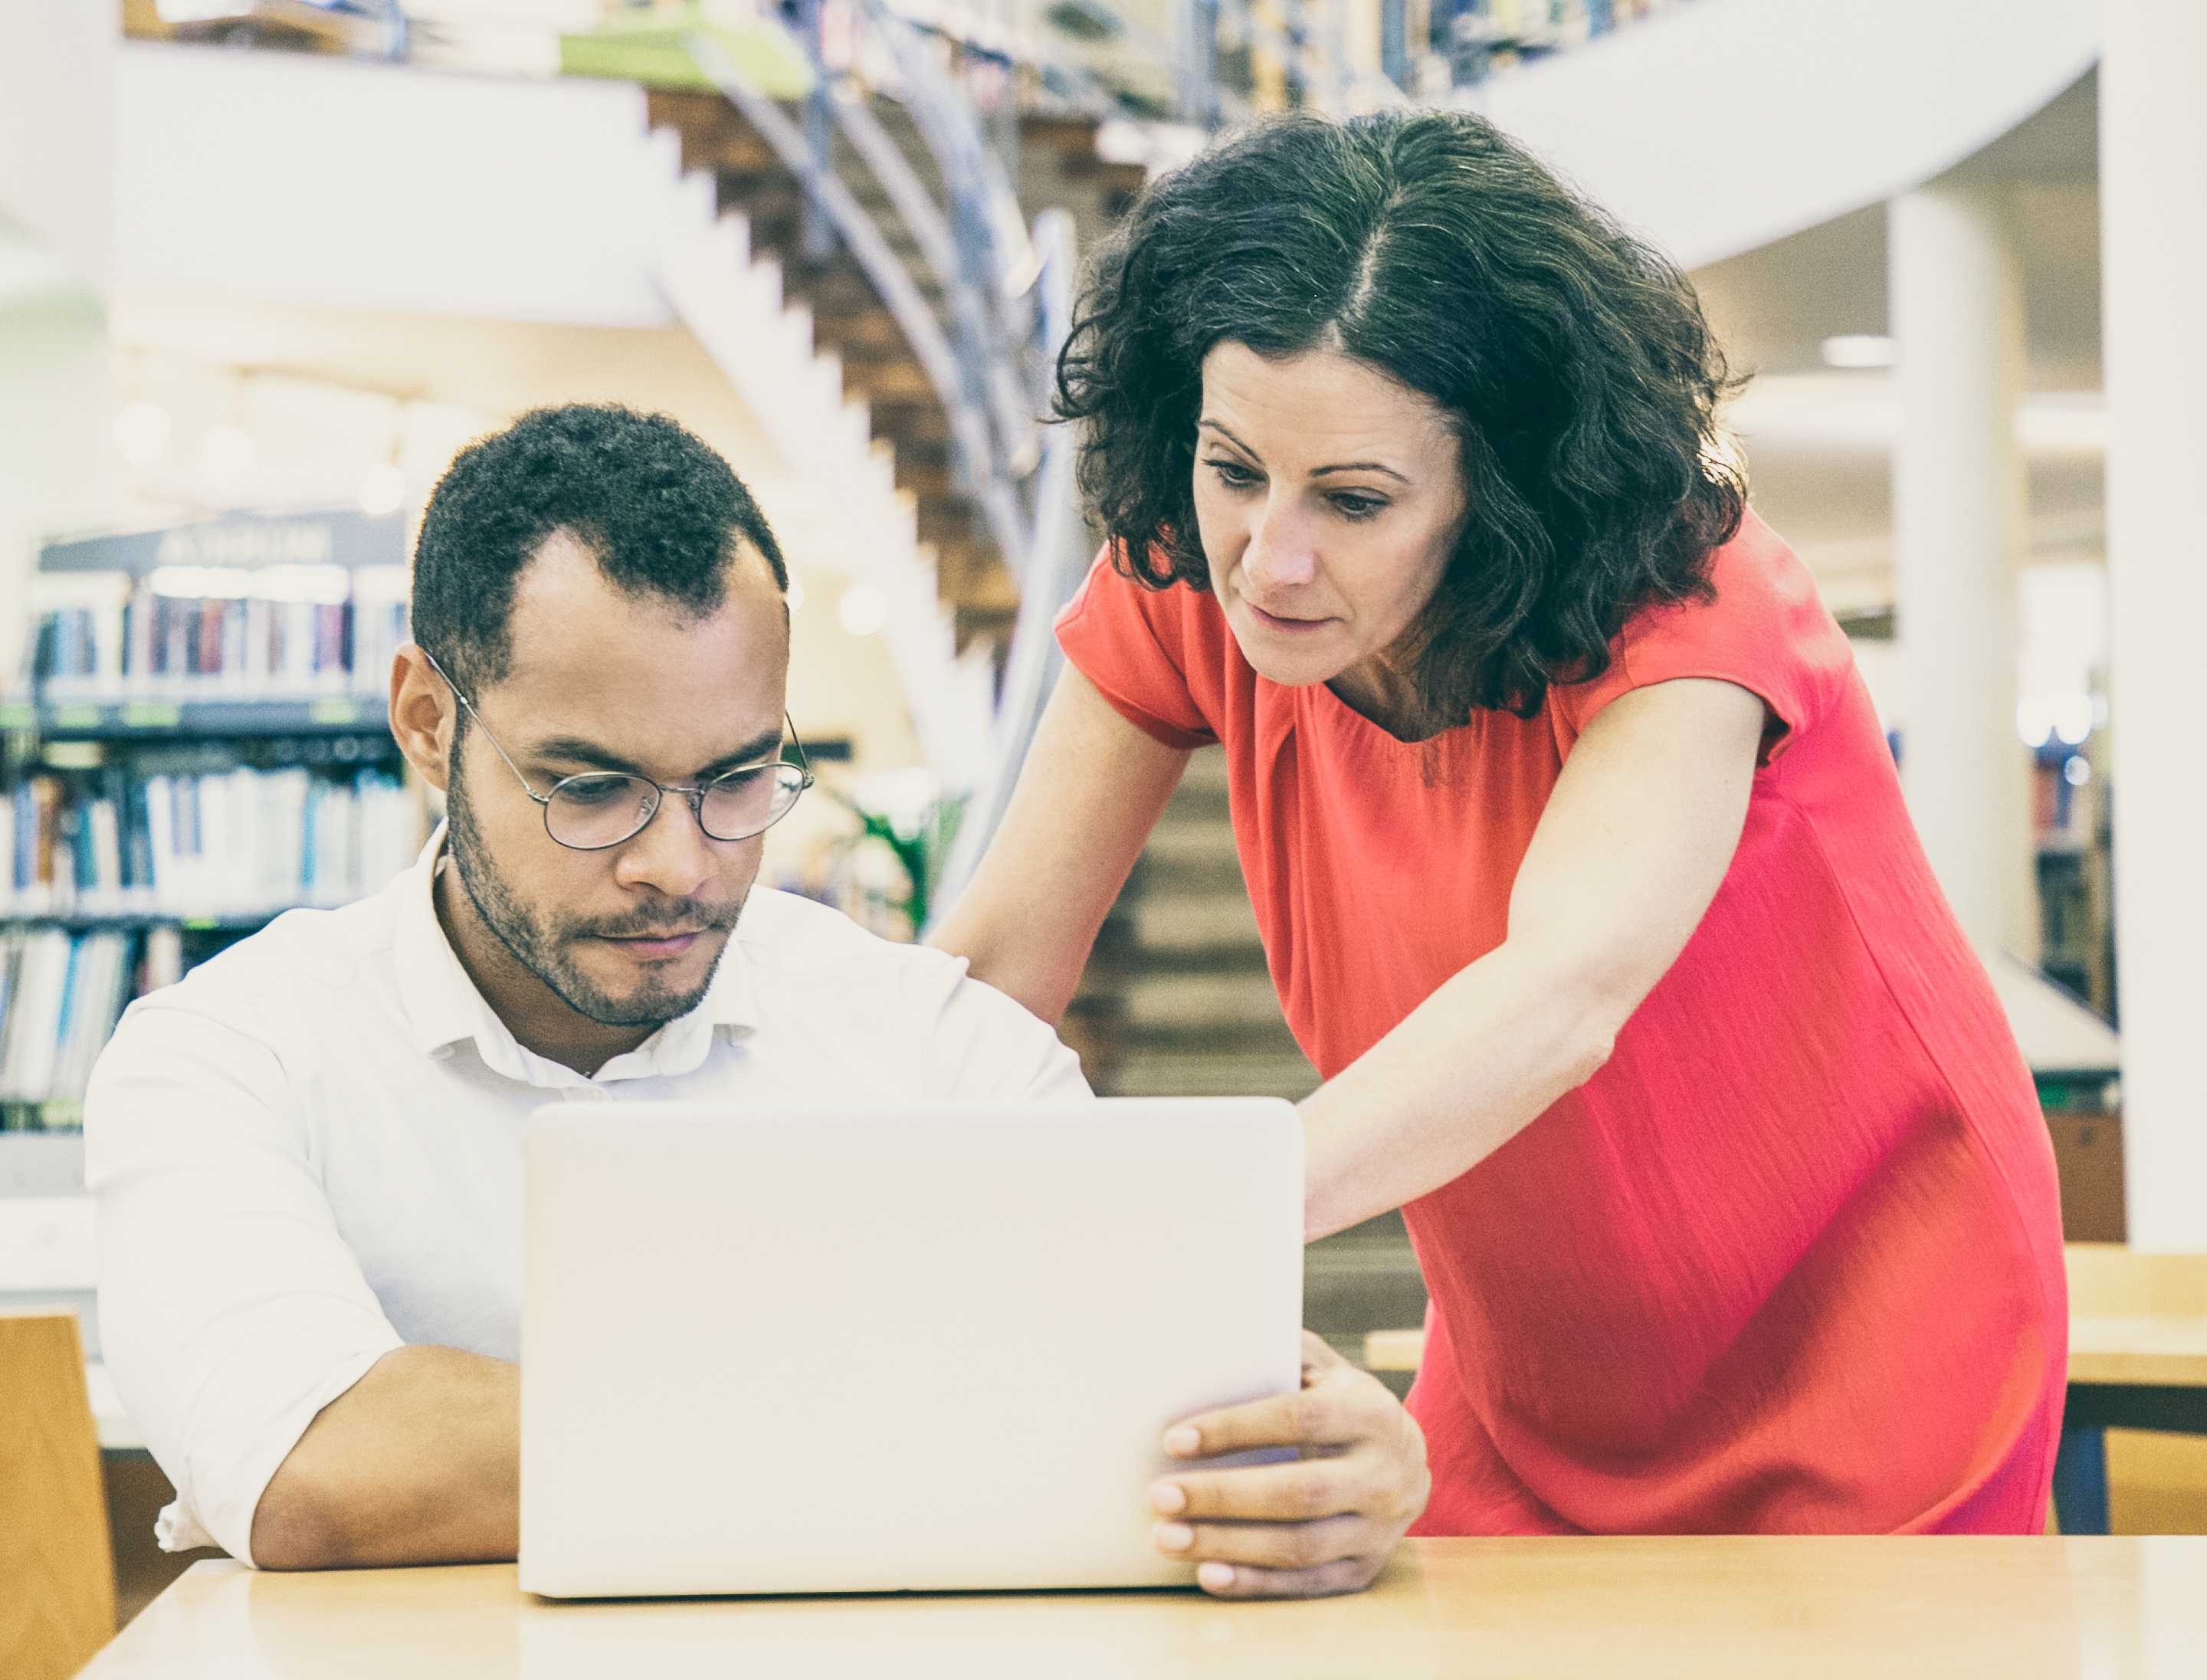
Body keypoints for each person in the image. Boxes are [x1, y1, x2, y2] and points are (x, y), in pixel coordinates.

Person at [933, 111, 2068, 1537]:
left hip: (1858, 1323)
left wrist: (1193, 1215)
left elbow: (1561, 994)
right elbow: (995, 968)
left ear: (1501, 489)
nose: (1270, 559)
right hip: (1531, 1359)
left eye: (1355, 500)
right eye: (1235, 472)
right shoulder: (1187, 579)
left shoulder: (1690, 607)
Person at [87, 403, 1425, 1597]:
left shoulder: (932, 1041)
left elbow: (1160, 1408)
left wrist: (1335, 1464)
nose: (679, 865)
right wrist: (951, 1421)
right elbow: (312, 1467)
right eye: (591, 789)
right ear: (429, 723)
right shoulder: (225, 1055)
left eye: (736, 781)